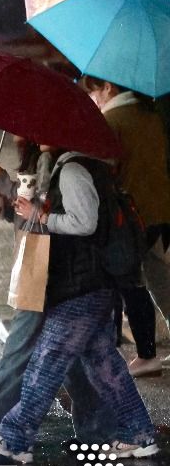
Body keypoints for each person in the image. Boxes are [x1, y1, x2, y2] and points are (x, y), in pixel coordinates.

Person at [0, 147, 160, 462]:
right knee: (105, 365)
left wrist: (44, 216)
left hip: (82, 286)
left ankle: (14, 439)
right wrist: (17, 197)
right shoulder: (70, 167)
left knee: (46, 364)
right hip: (89, 285)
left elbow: (84, 223)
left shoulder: (74, 171)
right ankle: (139, 434)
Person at [0, 140, 114, 448]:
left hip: (48, 271)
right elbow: (29, 217)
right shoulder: (44, 161)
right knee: (71, 358)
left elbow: (53, 220)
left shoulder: (64, 167)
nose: (20, 135)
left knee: (21, 350)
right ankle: (99, 432)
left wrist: (8, 189)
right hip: (47, 269)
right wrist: (5, 195)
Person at [81, 76, 170, 377]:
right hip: (159, 211)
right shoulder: (150, 114)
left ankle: (146, 355)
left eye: (94, 90)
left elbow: (104, 170)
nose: (93, 97)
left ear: (109, 88)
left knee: (130, 283)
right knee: (160, 280)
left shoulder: (113, 119)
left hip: (128, 217)